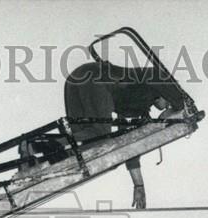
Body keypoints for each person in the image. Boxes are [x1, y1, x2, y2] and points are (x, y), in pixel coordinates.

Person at [63, 60, 191, 209]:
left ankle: (36, 147)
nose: (166, 107)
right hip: (95, 77)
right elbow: (159, 77)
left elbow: (129, 145)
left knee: (89, 140)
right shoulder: (156, 82)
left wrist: (139, 185)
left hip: (77, 77)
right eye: (167, 104)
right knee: (100, 135)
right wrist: (179, 105)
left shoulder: (139, 108)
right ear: (164, 94)